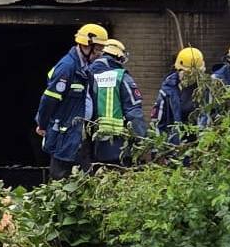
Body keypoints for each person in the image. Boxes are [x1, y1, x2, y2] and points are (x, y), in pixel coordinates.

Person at [36, 23, 107, 179]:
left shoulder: (85, 68)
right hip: (65, 134)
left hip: (79, 132)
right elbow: (48, 100)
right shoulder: (67, 67)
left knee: (83, 178)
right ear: (86, 46)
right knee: (61, 176)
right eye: (98, 49)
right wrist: (42, 124)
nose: (100, 54)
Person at [87, 38, 148, 165]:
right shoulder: (122, 77)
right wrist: (142, 142)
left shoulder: (85, 74)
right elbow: (134, 113)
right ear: (118, 57)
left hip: (92, 147)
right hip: (120, 147)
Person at [155, 46, 209, 157]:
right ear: (178, 69)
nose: (190, 77)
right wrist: (158, 150)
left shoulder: (207, 90)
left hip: (200, 151)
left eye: (194, 74)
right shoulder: (168, 91)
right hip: (175, 149)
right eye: (187, 74)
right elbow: (159, 122)